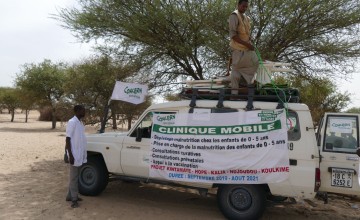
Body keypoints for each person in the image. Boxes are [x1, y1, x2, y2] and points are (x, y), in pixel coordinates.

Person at [229, 0, 259, 95]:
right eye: (243, 6)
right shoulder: (234, 16)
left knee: (256, 63)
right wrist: (247, 44)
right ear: (238, 5)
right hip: (238, 49)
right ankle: (234, 94)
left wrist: (249, 40)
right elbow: (233, 35)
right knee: (236, 71)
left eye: (246, 7)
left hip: (246, 49)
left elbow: (245, 33)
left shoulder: (246, 17)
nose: (245, 8)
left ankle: (247, 88)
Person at [65, 105, 87, 208]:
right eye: (83, 110)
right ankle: (74, 199)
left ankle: (70, 195)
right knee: (73, 178)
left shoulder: (80, 123)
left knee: (76, 177)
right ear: (77, 111)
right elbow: (67, 139)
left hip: (80, 154)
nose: (84, 112)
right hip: (74, 154)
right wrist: (69, 154)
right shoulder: (72, 122)